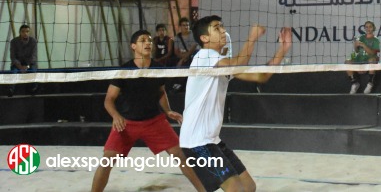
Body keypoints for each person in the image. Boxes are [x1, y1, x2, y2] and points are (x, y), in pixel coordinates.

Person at [180, 16, 292, 192]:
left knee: (249, 187)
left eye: (222, 26)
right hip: (197, 142)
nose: (223, 31)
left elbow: (260, 76)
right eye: (217, 28)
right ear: (204, 38)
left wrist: (283, 49)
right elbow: (238, 64)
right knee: (236, 190)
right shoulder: (204, 56)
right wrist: (252, 38)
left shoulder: (219, 64)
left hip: (212, 140)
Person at [91, 29, 203, 192]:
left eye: (150, 40)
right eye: (143, 40)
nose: (148, 43)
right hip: (127, 123)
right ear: (133, 46)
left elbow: (161, 92)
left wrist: (168, 111)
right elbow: (109, 100)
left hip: (154, 122)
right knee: (107, 159)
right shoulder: (124, 70)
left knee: (180, 155)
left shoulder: (158, 68)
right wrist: (116, 116)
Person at [345, 20, 380, 94]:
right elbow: (357, 51)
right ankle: (354, 83)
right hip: (359, 60)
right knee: (347, 61)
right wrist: (355, 45)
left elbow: (372, 53)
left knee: (372, 60)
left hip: (368, 61)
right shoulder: (361, 38)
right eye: (366, 27)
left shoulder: (376, 40)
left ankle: (370, 83)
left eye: (370, 27)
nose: (368, 29)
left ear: (373, 28)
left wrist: (364, 45)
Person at [8, 24, 38, 97]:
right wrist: (20, 66)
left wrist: (27, 66)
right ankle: (11, 90)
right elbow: (13, 57)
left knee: (33, 71)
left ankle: (34, 89)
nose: (25, 33)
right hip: (17, 64)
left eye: (27, 31)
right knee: (14, 72)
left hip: (29, 64)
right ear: (20, 32)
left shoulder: (33, 41)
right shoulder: (14, 42)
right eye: (23, 31)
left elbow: (33, 57)